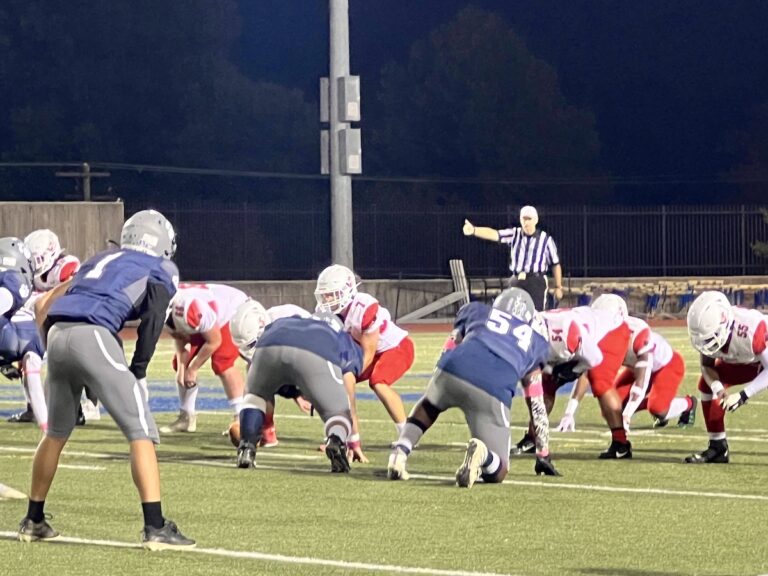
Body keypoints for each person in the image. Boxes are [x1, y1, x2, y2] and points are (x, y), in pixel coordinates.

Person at [17, 209, 194, 550]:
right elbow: (154, 317)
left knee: (55, 433)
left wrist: (52, 350)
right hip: (94, 333)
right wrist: (138, 368)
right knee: (141, 431)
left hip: (58, 334)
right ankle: (155, 526)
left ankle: (33, 520)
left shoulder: (99, 259)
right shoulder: (160, 267)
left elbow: (46, 306)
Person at [387, 288, 559, 488]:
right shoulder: (536, 343)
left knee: (429, 405)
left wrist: (438, 381)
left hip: (453, 368)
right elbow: (536, 405)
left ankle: (400, 452)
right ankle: (482, 454)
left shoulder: (477, 311)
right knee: (499, 470)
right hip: (493, 388)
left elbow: (450, 346)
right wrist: (543, 453)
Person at [233, 311, 364, 473]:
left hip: (269, 343)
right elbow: (348, 376)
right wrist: (353, 439)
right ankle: (336, 441)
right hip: (314, 352)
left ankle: (246, 447)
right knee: (338, 412)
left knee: (254, 398)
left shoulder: (288, 319)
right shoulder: (341, 336)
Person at [557, 294, 696, 433]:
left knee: (658, 408)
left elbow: (642, 381)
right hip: (636, 369)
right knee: (611, 408)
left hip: (667, 366)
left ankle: (689, 404)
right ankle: (654, 402)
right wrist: (569, 413)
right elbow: (587, 374)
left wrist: (626, 416)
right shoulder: (601, 333)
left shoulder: (639, 335)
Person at [513, 303, 632, 459]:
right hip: (578, 338)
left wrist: (574, 370)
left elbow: (594, 358)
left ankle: (621, 443)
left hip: (611, 332)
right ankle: (533, 437)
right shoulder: (537, 329)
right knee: (544, 384)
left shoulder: (564, 334)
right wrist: (551, 372)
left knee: (599, 379)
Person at [314, 264, 414, 444]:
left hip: (397, 347)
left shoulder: (364, 308)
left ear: (347, 290)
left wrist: (348, 377)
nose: (327, 299)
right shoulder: (326, 313)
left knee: (378, 382)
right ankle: (338, 436)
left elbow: (369, 353)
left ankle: (406, 434)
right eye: (325, 294)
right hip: (368, 352)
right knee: (337, 384)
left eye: (332, 294)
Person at [684, 290, 768, 464]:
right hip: (748, 361)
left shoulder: (752, 330)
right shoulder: (708, 332)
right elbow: (707, 366)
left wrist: (743, 395)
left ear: (724, 323)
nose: (706, 344)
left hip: (761, 358)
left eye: (710, 337)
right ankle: (718, 447)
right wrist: (718, 389)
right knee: (707, 385)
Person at [7, 229, 80, 426]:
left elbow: (74, 296)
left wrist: (44, 301)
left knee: (67, 362)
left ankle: (77, 409)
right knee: (25, 360)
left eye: (38, 258)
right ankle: (32, 408)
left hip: (63, 322)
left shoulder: (66, 267)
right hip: (37, 323)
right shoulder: (26, 271)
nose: (35, 263)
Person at [161, 283, 248, 434]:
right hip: (202, 315)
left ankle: (241, 417)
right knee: (181, 365)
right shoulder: (162, 309)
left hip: (231, 310)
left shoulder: (191, 308)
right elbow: (180, 339)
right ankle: (186, 417)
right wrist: (182, 368)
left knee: (222, 362)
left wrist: (193, 369)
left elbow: (214, 341)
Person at [227, 299, 313, 447]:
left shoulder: (290, 328)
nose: (249, 349)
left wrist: (299, 391)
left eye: (252, 343)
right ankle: (266, 430)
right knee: (255, 378)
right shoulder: (254, 335)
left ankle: (341, 437)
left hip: (315, 354)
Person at [463, 205, 563, 310]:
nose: (526, 222)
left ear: (536, 220)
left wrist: (558, 287)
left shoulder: (545, 239)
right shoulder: (514, 234)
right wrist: (474, 230)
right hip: (517, 279)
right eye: (523, 219)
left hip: (536, 280)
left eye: (529, 219)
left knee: (537, 311)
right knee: (512, 310)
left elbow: (555, 264)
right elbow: (495, 234)